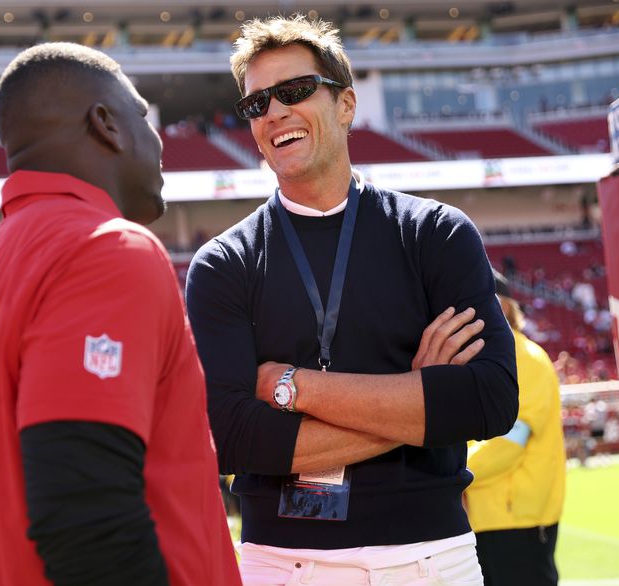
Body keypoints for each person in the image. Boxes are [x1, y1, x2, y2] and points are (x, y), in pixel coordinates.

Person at [186, 16, 518, 585]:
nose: (274, 112)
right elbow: (231, 439)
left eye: (293, 91)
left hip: (431, 556)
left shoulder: (436, 233)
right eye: (257, 103)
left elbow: (489, 402)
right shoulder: (224, 263)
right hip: (283, 563)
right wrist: (420, 403)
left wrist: (293, 386)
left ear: (345, 105)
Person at [0, 43, 240, 586]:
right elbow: (87, 519)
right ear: (106, 125)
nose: (158, 139)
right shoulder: (105, 249)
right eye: (143, 116)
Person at [465, 270, 566, 586]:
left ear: (503, 305)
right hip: (490, 517)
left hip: (514, 517)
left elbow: (508, 444)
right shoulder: (491, 357)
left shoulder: (525, 358)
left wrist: (452, 473)